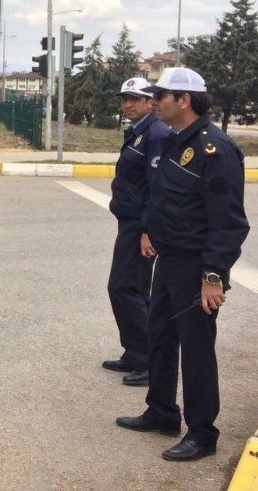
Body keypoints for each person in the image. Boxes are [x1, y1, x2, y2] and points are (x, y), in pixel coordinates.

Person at [116, 67, 249, 462]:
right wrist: (149, 231)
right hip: (168, 258)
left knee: (196, 350)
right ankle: (161, 411)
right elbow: (164, 196)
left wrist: (213, 277)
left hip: (196, 267)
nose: (153, 102)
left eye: (160, 96)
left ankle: (203, 433)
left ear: (185, 100)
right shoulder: (175, 141)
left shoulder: (216, 150)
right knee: (159, 336)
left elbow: (228, 223)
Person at [102, 76, 170, 386]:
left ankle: (146, 359)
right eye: (124, 99)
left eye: (135, 99)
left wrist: (147, 231)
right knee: (137, 289)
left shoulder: (155, 133)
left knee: (122, 287)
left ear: (150, 102)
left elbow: (157, 189)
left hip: (139, 225)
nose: (128, 104)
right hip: (130, 222)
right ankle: (135, 351)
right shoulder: (140, 132)